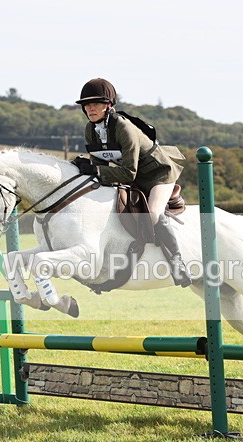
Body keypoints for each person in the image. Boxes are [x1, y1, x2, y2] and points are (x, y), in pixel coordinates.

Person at [72, 78, 191, 287]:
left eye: (96, 103)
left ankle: (177, 263)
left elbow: (128, 173)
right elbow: (102, 167)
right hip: (128, 175)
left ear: (108, 105)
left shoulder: (123, 127)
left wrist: (97, 170)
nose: (90, 108)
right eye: (86, 104)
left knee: (153, 214)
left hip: (157, 175)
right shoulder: (90, 130)